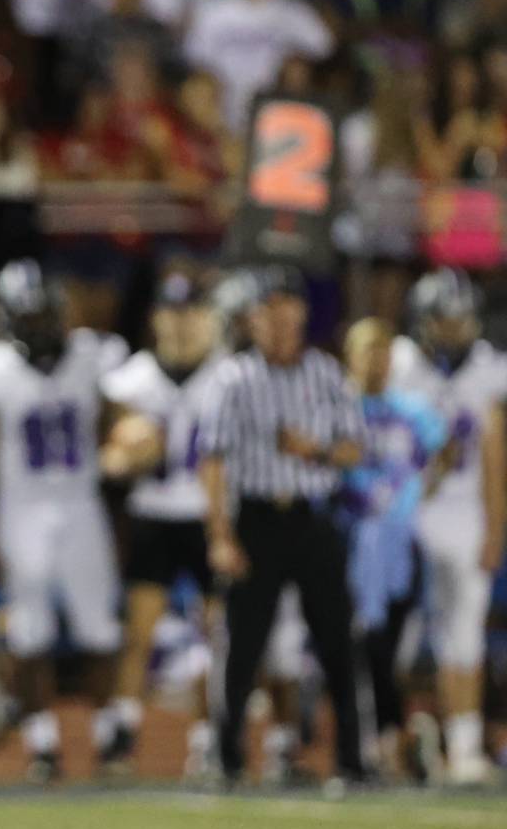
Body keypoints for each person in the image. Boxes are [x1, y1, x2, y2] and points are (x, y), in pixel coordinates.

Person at [198, 265, 367, 787]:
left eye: (283, 308)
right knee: (244, 645)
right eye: (265, 310)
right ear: (252, 318)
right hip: (258, 517)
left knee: (337, 641)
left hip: (312, 517)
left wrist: (311, 449)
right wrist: (221, 534)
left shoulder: (326, 373)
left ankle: (353, 759)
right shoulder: (234, 377)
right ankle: (226, 760)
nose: (275, 319)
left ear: (300, 313)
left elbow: (354, 449)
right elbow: (213, 460)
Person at [0, 260, 127, 783]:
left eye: (44, 315)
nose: (39, 325)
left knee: (98, 627)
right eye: (29, 316)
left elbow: (112, 428)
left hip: (81, 503)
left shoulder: (91, 357)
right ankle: (43, 744)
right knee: (28, 633)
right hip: (22, 509)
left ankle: (109, 737)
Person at [98, 270, 225, 776]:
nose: (182, 323)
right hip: (152, 513)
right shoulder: (133, 377)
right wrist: (125, 456)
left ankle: (208, 736)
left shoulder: (228, 375)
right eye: (173, 312)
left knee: (215, 635)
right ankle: (123, 729)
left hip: (207, 516)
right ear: (156, 319)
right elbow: (108, 454)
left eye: (192, 311)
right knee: (139, 634)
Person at [390, 269, 506, 785]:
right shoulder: (400, 365)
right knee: (397, 637)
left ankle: (462, 744)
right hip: (405, 515)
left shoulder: (489, 370)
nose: (454, 330)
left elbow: (494, 458)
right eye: (444, 319)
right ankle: (396, 740)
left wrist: (495, 530)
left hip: (465, 516)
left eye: (461, 320)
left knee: (464, 636)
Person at [339, 318, 448, 777]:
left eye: (382, 352)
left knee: (385, 649)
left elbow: (444, 453)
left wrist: (413, 495)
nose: (375, 361)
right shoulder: (338, 408)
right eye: (367, 351)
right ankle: (382, 738)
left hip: (401, 543)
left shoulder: (410, 408)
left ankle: (390, 738)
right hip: (350, 540)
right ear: (351, 356)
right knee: (355, 647)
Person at [182, 0, 333, 129]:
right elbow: (196, 67)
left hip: (280, 121)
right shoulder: (208, 11)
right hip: (222, 123)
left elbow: (326, 55)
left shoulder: (293, 12)